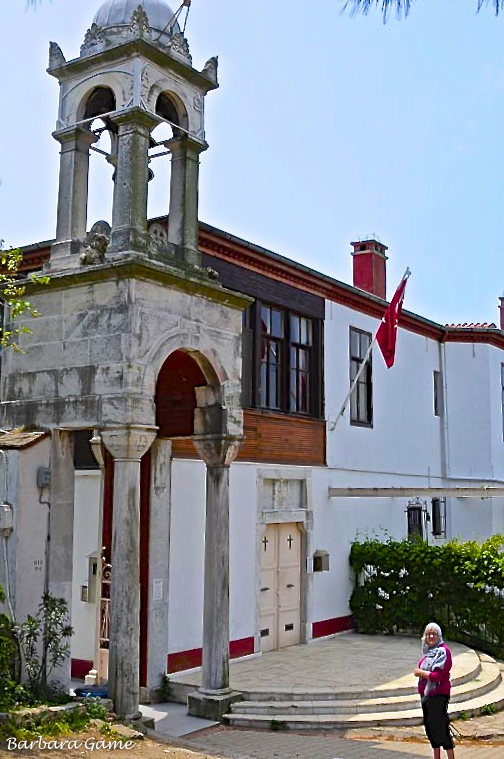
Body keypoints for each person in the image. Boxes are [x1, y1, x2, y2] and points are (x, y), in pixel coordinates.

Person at [414, 622, 455, 759]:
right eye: (428, 634)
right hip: (426, 695)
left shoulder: (443, 652)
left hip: (439, 695)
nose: (431, 636)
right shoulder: (428, 652)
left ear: (439, 635)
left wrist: (420, 673)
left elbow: (437, 676)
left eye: (434, 633)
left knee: (441, 727)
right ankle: (436, 756)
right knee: (430, 727)